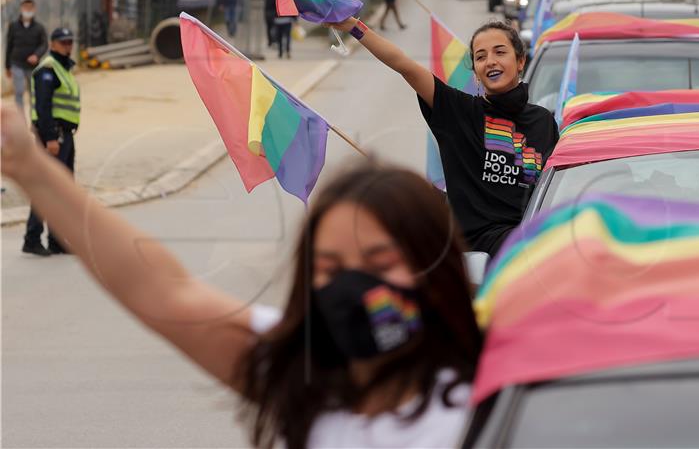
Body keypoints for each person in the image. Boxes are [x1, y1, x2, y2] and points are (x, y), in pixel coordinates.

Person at [0, 116, 483, 448]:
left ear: (435, 267)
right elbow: (164, 292)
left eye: (380, 262)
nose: (354, 286)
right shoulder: (302, 376)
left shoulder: (490, 404)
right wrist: (31, 169)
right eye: (330, 269)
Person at [327, 18, 559, 258]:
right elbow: (404, 65)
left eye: (500, 52)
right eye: (480, 57)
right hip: (479, 254)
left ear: (520, 61)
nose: (490, 61)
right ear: (476, 73)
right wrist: (352, 25)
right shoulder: (458, 111)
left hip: (536, 245)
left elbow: (556, 188)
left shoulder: (543, 121)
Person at [22, 27, 80, 257]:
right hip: (53, 135)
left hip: (65, 135)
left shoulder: (63, 68)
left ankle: (56, 239)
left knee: (62, 189)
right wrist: (49, 138)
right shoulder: (48, 69)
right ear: (53, 44)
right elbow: (43, 107)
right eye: (63, 42)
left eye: (70, 42)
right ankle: (32, 238)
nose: (68, 45)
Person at [4, 0, 48, 111]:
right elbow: (9, 45)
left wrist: (36, 55)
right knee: (19, 91)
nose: (27, 10)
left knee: (34, 92)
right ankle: (20, 121)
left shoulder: (39, 28)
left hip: (32, 66)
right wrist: (7, 66)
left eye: (30, 8)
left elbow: (44, 44)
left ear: (34, 9)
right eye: (25, 7)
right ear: (21, 9)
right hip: (16, 63)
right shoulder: (13, 26)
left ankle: (35, 120)